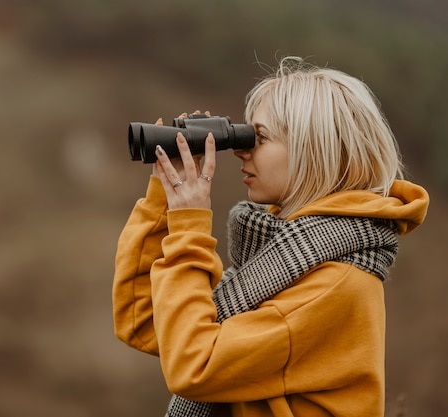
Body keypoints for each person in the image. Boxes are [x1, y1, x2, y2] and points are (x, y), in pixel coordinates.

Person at [112, 56, 430, 417]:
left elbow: (195, 366)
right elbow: (142, 319)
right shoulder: (279, 262)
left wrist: (189, 224)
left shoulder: (336, 282)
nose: (242, 150)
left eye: (259, 137)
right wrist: (164, 197)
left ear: (315, 150)